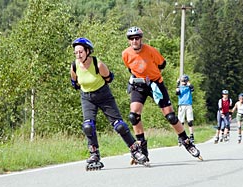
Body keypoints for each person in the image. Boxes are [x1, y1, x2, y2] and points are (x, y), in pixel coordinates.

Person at [122, 26, 202, 161]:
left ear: (141, 39)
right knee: (133, 116)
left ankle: (187, 142)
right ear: (129, 41)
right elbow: (130, 68)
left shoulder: (151, 51)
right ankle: (142, 147)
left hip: (155, 84)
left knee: (170, 116)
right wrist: (136, 79)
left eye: (137, 38)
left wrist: (151, 75)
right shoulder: (126, 54)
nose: (134, 41)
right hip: (139, 84)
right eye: (132, 39)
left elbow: (162, 64)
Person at [70, 37, 147, 170]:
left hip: (104, 95)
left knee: (119, 126)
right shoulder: (74, 66)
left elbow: (109, 78)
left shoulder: (97, 64)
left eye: (80, 52)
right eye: (76, 53)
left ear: (88, 51)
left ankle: (135, 150)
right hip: (87, 97)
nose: (78, 55)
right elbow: (75, 83)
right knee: (88, 126)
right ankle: (94, 154)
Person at [176, 74, 195, 144]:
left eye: (185, 81)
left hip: (188, 105)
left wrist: (189, 84)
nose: (184, 82)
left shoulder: (189, 87)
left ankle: (191, 136)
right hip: (181, 105)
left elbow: (193, 88)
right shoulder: (179, 87)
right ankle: (181, 137)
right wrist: (177, 84)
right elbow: (177, 92)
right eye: (183, 81)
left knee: (190, 121)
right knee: (181, 122)